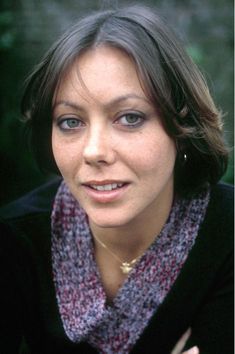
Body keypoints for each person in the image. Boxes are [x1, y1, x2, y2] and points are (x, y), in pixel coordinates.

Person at [0, 4, 233, 354]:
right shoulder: (17, 239)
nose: (93, 151)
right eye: (70, 122)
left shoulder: (228, 234)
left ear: (181, 127)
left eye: (129, 118)